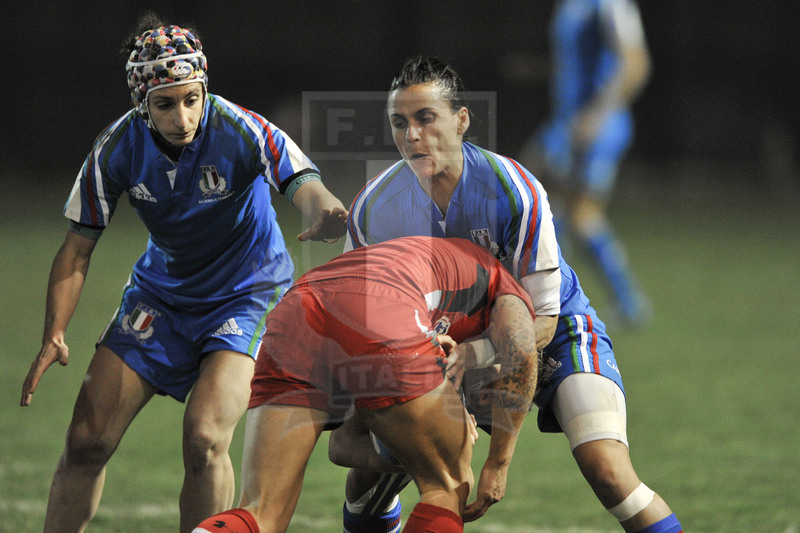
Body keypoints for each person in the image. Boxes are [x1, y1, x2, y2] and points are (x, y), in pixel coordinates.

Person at [19, 13, 347, 533]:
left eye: (191, 98)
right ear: (141, 104)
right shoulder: (117, 148)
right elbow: (76, 251)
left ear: (204, 89)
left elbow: (303, 180)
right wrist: (54, 332)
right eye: (165, 103)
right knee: (86, 441)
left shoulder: (241, 128)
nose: (183, 115)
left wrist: (325, 210)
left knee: (204, 436)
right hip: (162, 296)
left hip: (249, 295)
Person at [336, 56, 682, 533]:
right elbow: (373, 318)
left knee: (608, 470)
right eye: (400, 123)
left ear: (461, 121)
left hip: (553, 332)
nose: (412, 135)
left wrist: (497, 453)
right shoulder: (374, 209)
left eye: (425, 118)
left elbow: (537, 322)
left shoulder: (514, 191)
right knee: (365, 482)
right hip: (445, 351)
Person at [192, 236, 540, 533]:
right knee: (448, 483)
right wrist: (497, 463)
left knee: (261, 512)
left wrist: (418, 442)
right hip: (381, 306)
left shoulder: (431, 267)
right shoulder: (503, 282)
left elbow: (341, 445)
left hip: (299, 303)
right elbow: (522, 352)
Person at [518, 0, 653, 326]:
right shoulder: (570, 6)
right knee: (531, 197)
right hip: (567, 124)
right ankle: (554, 300)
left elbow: (636, 63)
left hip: (597, 127)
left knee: (578, 213)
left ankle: (623, 302)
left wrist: (597, 114)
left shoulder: (608, 4)